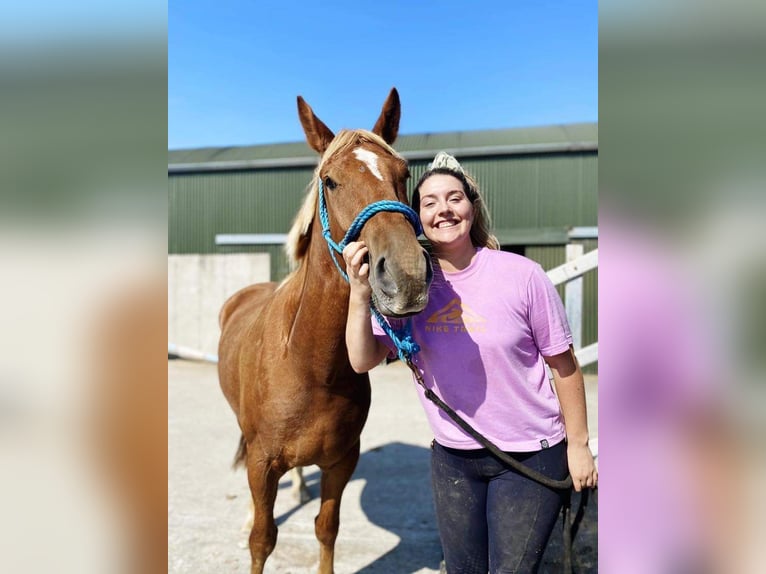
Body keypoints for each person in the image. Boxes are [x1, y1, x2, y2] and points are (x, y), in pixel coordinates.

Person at [342, 151, 598, 573]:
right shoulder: (413, 286)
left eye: (454, 198)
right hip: (454, 458)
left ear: (471, 207)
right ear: (417, 217)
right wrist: (358, 293)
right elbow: (361, 360)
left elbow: (564, 366)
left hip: (530, 456)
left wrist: (579, 445)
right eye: (429, 202)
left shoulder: (523, 275)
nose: (444, 209)